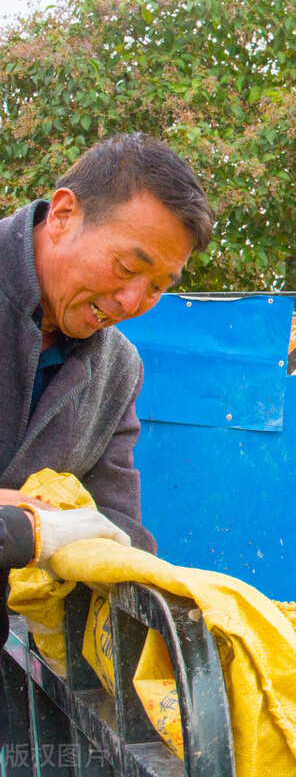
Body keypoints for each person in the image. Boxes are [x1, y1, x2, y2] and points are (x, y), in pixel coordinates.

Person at [1, 133, 214, 738]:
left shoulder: (116, 369)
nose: (131, 301)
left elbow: (117, 529)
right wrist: (24, 527)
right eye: (127, 268)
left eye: (157, 286)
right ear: (63, 215)